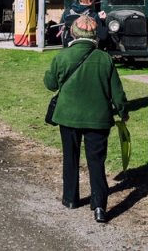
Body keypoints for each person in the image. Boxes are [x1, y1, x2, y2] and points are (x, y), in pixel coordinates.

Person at [43, 14, 129, 224]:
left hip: (68, 116)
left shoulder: (62, 56)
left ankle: (70, 198)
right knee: (96, 162)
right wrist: (122, 111)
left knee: (70, 157)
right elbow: (117, 91)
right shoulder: (104, 58)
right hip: (98, 119)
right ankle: (99, 206)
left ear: (73, 33)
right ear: (94, 36)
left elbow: (50, 84)